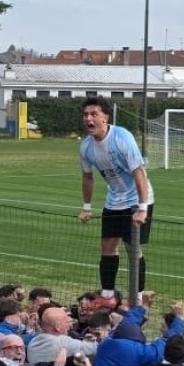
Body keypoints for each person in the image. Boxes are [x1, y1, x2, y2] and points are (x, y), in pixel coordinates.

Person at [77, 96, 154, 298]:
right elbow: (87, 177)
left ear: (105, 117)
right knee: (107, 246)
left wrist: (142, 207)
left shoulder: (122, 137)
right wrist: (86, 207)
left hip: (138, 200)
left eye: (94, 114)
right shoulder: (86, 146)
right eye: (85, 114)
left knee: (132, 248)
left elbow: (139, 172)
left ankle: (137, 297)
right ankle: (107, 295)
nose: (88, 119)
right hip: (114, 200)